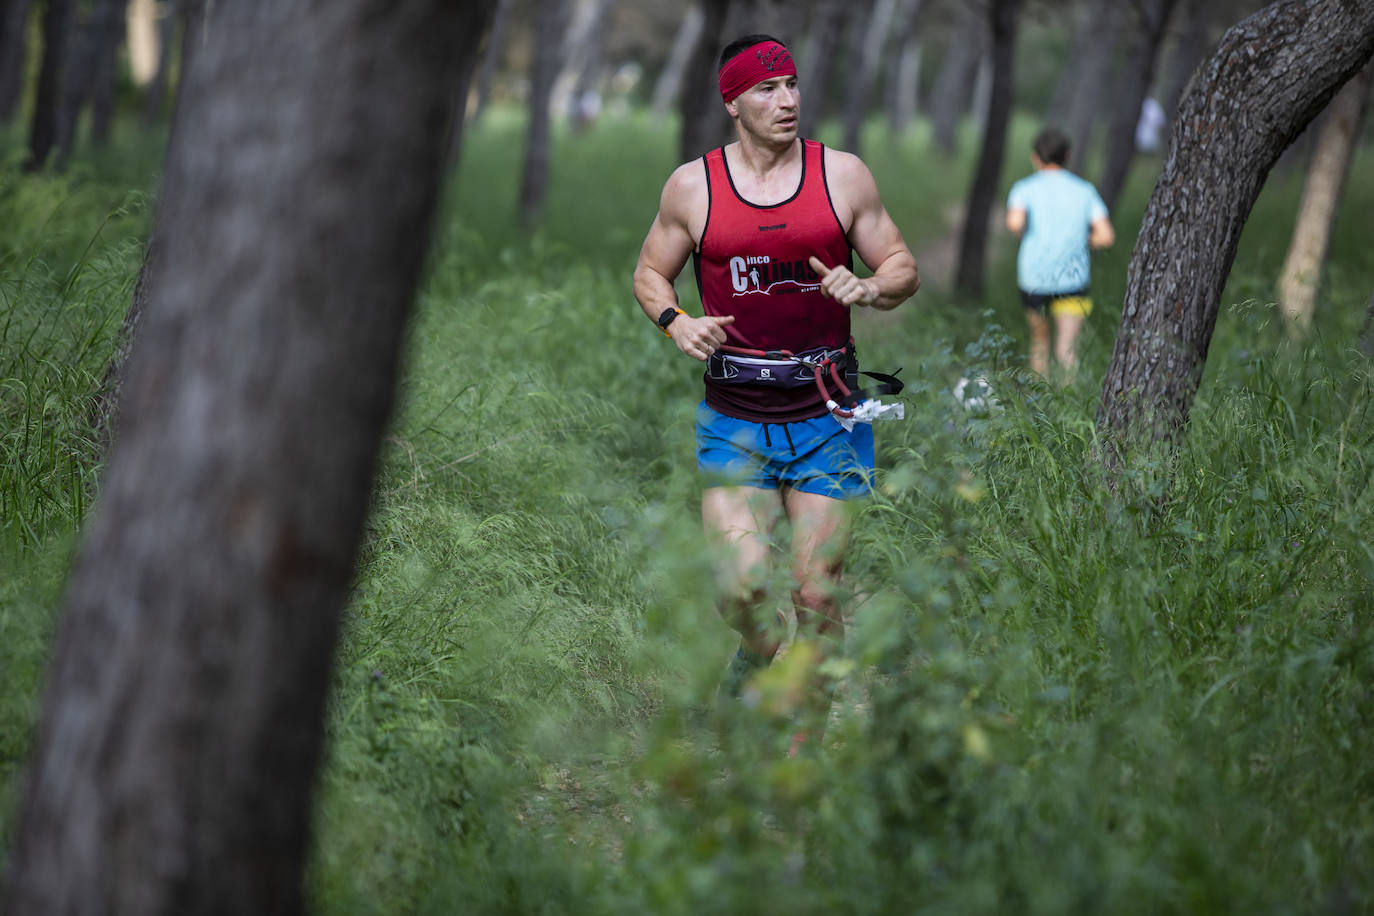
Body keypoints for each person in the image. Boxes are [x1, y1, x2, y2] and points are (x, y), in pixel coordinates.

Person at [632, 34, 919, 752]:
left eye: (791, 84)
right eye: (766, 89)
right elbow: (649, 273)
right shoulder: (692, 187)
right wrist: (676, 321)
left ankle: (802, 753)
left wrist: (872, 287)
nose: (786, 99)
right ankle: (754, 653)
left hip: (828, 417)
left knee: (818, 594)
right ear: (732, 102)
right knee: (744, 594)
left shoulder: (842, 176)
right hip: (734, 421)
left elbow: (903, 264)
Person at [1005, 127, 1115, 382]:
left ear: (1035, 158)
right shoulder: (1085, 190)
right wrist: (1082, 239)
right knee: (1067, 349)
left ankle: (1039, 403)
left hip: (1035, 277)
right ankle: (1068, 406)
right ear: (1068, 155)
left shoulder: (1024, 189)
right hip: (1073, 278)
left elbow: (1014, 223)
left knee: (1039, 341)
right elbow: (1106, 236)